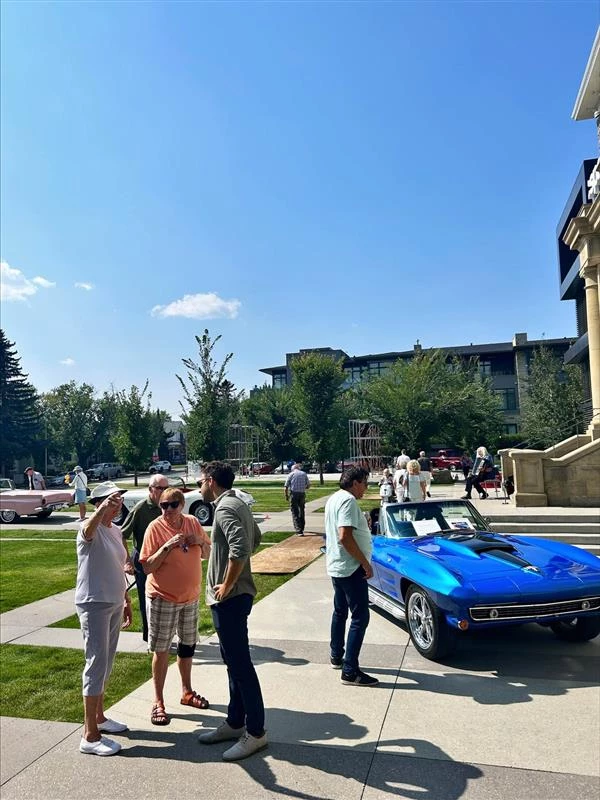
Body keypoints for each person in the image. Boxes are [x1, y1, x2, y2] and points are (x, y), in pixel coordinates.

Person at [196, 461, 266, 761]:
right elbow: (256, 538)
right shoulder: (238, 502)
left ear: (211, 481)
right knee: (232, 662)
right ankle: (235, 722)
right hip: (236, 597)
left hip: (230, 598)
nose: (199, 487)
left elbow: (240, 548)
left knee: (240, 665)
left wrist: (226, 583)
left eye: (200, 481)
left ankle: (256, 732)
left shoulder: (225, 508)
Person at [139, 487, 212, 727]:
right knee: (161, 650)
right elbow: (147, 567)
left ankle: (186, 692)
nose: (168, 510)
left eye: (173, 505)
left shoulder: (192, 522)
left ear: (181, 505)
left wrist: (199, 540)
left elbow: (207, 552)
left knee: (187, 646)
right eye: (163, 505)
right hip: (163, 597)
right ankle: (158, 701)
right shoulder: (155, 528)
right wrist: (167, 546)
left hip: (190, 597)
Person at [76, 481, 131, 757]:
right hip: (94, 603)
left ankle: (99, 717)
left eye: (119, 499)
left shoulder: (116, 530)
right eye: (112, 500)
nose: (117, 504)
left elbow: (119, 566)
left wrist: (127, 598)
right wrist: (100, 511)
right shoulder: (89, 528)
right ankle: (89, 736)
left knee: (106, 664)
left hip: (114, 601)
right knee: (95, 664)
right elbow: (87, 531)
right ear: (99, 503)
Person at [325, 465, 378, 687]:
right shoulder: (347, 501)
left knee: (340, 611)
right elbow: (344, 536)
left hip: (338, 566)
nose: (366, 488)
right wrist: (365, 563)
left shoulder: (334, 498)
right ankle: (350, 671)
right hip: (350, 568)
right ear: (355, 482)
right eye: (365, 483)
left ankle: (336, 655)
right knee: (360, 617)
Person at [121, 474, 169, 643]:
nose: (164, 491)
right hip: (144, 561)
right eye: (160, 488)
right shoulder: (140, 509)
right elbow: (122, 535)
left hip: (164, 560)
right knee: (147, 599)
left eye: (166, 488)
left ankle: (165, 634)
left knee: (166, 599)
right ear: (150, 489)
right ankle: (150, 637)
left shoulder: (168, 506)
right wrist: (127, 561)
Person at [284, 463, 310, 536]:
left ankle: (298, 530)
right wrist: (303, 487)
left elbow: (286, 487)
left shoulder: (291, 474)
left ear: (293, 469)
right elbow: (308, 485)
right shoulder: (304, 474)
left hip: (294, 494)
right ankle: (302, 527)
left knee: (295, 512)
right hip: (302, 494)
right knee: (302, 511)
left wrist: (286, 496)